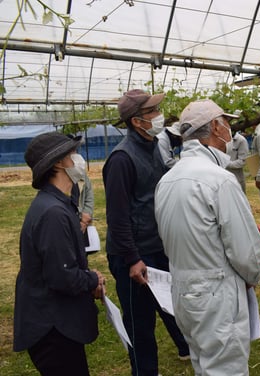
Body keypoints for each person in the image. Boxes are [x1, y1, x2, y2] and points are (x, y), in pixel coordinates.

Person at [154, 99, 260, 376]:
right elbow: (246, 253)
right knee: (226, 369)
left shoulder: (167, 179)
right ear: (216, 127)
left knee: (203, 364)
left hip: (182, 290)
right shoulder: (219, 180)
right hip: (217, 293)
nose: (230, 130)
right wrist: (253, 275)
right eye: (226, 124)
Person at [103, 89, 190, 376]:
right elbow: (117, 217)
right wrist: (131, 259)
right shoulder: (121, 160)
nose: (158, 116)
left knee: (170, 306)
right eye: (152, 112)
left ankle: (184, 347)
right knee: (140, 325)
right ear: (137, 121)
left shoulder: (153, 147)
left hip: (156, 247)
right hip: (134, 256)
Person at [13, 132, 105, 375]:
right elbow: (62, 277)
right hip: (52, 330)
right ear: (58, 162)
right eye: (73, 154)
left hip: (55, 324)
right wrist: (93, 279)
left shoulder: (56, 205)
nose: (78, 159)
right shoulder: (53, 213)